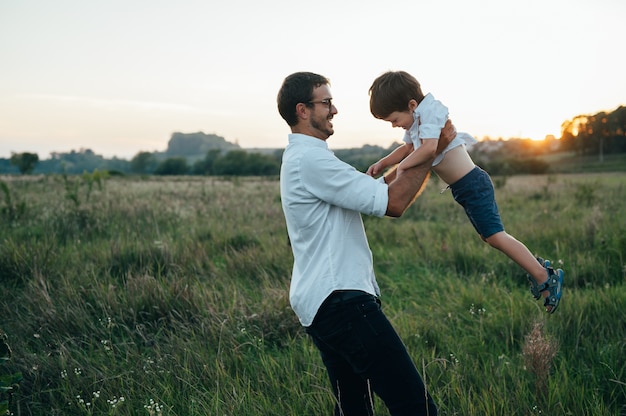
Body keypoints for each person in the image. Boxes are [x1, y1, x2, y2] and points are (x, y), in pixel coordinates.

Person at [277, 71, 455, 416]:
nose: (334, 110)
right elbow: (393, 203)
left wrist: (412, 156)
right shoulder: (311, 159)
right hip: (340, 300)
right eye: (326, 102)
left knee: (355, 410)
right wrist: (434, 150)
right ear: (302, 110)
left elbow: (375, 192)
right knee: (415, 407)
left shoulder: (306, 158)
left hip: (322, 303)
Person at [366, 70, 564, 313]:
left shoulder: (430, 112)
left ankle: (544, 276)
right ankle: (538, 268)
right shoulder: (416, 120)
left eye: (394, 120)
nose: (395, 125)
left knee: (496, 236)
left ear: (411, 105)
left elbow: (427, 151)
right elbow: (407, 149)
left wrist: (402, 167)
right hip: (463, 188)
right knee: (490, 237)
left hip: (473, 184)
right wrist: (385, 163)